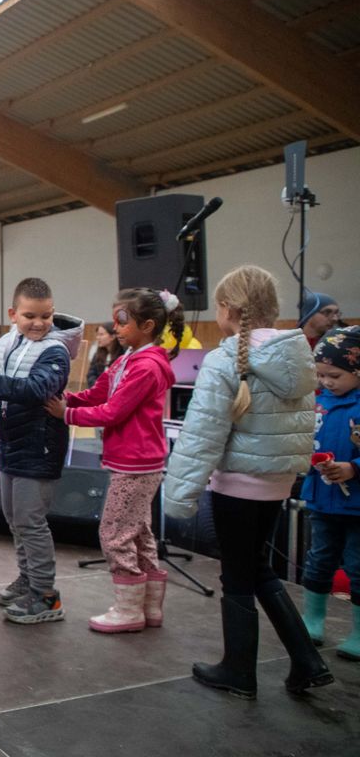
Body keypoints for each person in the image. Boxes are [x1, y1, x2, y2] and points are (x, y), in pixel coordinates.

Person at [164, 265, 332, 699]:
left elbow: (203, 434)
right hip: (277, 484)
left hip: (238, 486)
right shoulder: (297, 357)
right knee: (258, 569)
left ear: (228, 310)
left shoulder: (225, 360)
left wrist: (178, 496)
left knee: (238, 576)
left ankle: (239, 670)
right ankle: (308, 662)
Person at [46, 289, 181, 633]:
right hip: (131, 460)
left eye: (123, 321)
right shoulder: (127, 359)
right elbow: (98, 394)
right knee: (138, 533)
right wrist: (67, 398)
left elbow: (113, 411)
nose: (116, 327)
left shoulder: (147, 366)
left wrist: (67, 415)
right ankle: (148, 608)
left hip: (138, 462)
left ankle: (129, 611)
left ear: (148, 325)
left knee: (115, 533)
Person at [0, 277, 83, 624]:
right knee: (14, 519)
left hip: (39, 450)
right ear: (13, 314)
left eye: (45, 316)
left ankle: (46, 595)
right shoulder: (5, 344)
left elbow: (36, 389)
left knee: (31, 521)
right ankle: (28, 579)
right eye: (30, 316)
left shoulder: (55, 351)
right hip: (11, 445)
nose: (39, 323)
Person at [299, 325, 360, 662]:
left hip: (357, 505)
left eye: (335, 375)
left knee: (357, 566)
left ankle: (358, 633)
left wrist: (354, 468)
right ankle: (313, 620)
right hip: (322, 499)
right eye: (321, 375)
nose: (326, 382)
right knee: (319, 560)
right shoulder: (317, 403)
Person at [86, 322, 124, 389]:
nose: (98, 338)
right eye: (97, 335)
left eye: (101, 334)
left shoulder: (123, 354)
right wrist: (97, 387)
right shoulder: (97, 354)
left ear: (112, 336)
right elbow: (91, 374)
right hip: (98, 392)